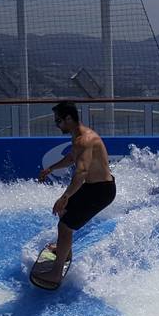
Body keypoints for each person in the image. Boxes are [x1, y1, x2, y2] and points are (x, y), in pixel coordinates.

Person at [36, 101, 115, 269]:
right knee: (64, 213)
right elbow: (72, 157)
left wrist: (64, 197)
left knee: (64, 226)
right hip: (94, 187)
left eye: (58, 121)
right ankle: (65, 252)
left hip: (102, 191)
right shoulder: (77, 135)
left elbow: (81, 172)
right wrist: (51, 168)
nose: (56, 125)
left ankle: (56, 271)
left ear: (69, 118)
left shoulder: (84, 140)